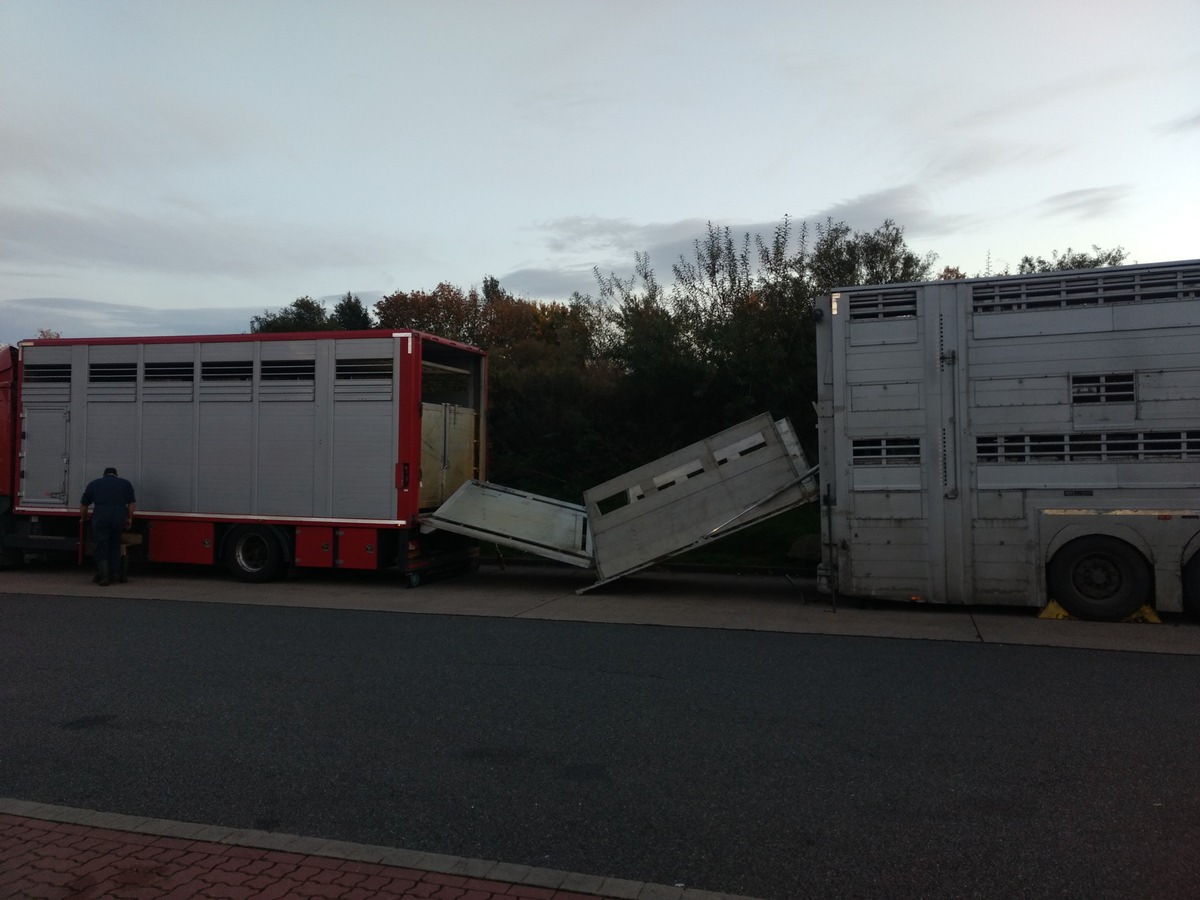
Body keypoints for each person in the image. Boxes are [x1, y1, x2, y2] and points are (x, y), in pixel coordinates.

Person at [79, 467, 136, 586]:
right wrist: (129, 518)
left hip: (101, 517)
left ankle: (104, 577)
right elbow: (131, 503)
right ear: (116, 474)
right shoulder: (125, 484)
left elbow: (84, 505)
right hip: (118, 518)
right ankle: (114, 573)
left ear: (104, 474)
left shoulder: (94, 484)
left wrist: (84, 518)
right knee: (115, 545)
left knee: (102, 545)